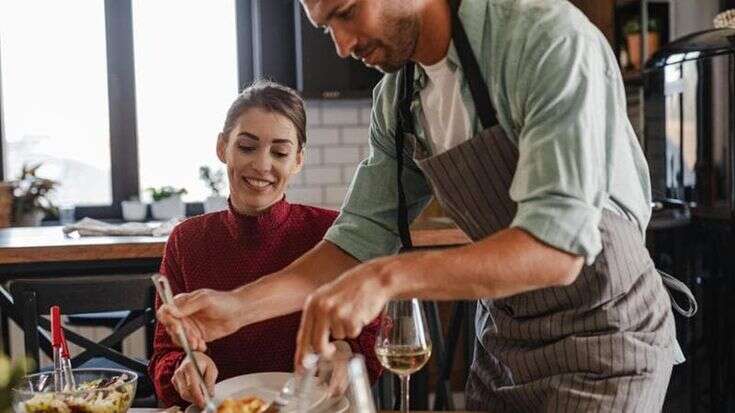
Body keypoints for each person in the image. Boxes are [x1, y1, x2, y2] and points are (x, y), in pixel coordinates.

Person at [159, 0, 696, 410]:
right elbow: (356, 242)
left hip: (604, 336)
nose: (342, 45)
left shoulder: (543, 37)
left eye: (347, 14)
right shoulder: (397, 98)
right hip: (508, 342)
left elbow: (556, 250)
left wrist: (387, 279)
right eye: (327, 28)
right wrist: (238, 307)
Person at [148, 80, 381, 408]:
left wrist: (345, 353)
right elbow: (165, 354)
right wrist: (183, 366)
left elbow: (369, 344)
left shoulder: (334, 234)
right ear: (222, 147)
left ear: (298, 160)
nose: (261, 164)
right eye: (246, 147)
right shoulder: (186, 240)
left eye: (280, 152)